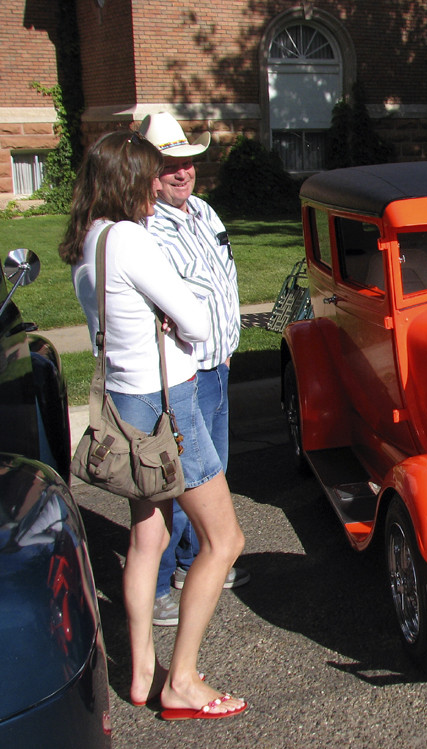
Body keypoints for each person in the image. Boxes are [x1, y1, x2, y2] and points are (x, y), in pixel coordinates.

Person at [59, 130, 247, 720]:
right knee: (224, 541)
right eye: (148, 174)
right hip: (170, 405)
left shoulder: (90, 240)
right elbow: (193, 318)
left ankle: (142, 668)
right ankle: (182, 680)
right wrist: (175, 320)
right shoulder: (133, 242)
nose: (157, 183)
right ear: (125, 181)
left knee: (148, 537)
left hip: (126, 400)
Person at [137, 112, 248, 627]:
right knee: (178, 480)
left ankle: (191, 563)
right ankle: (161, 586)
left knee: (213, 472)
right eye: (169, 166)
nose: (182, 174)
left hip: (217, 366)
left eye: (187, 164)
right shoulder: (145, 227)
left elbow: (222, 278)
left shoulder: (204, 212)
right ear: (149, 173)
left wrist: (225, 350)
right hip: (183, 374)